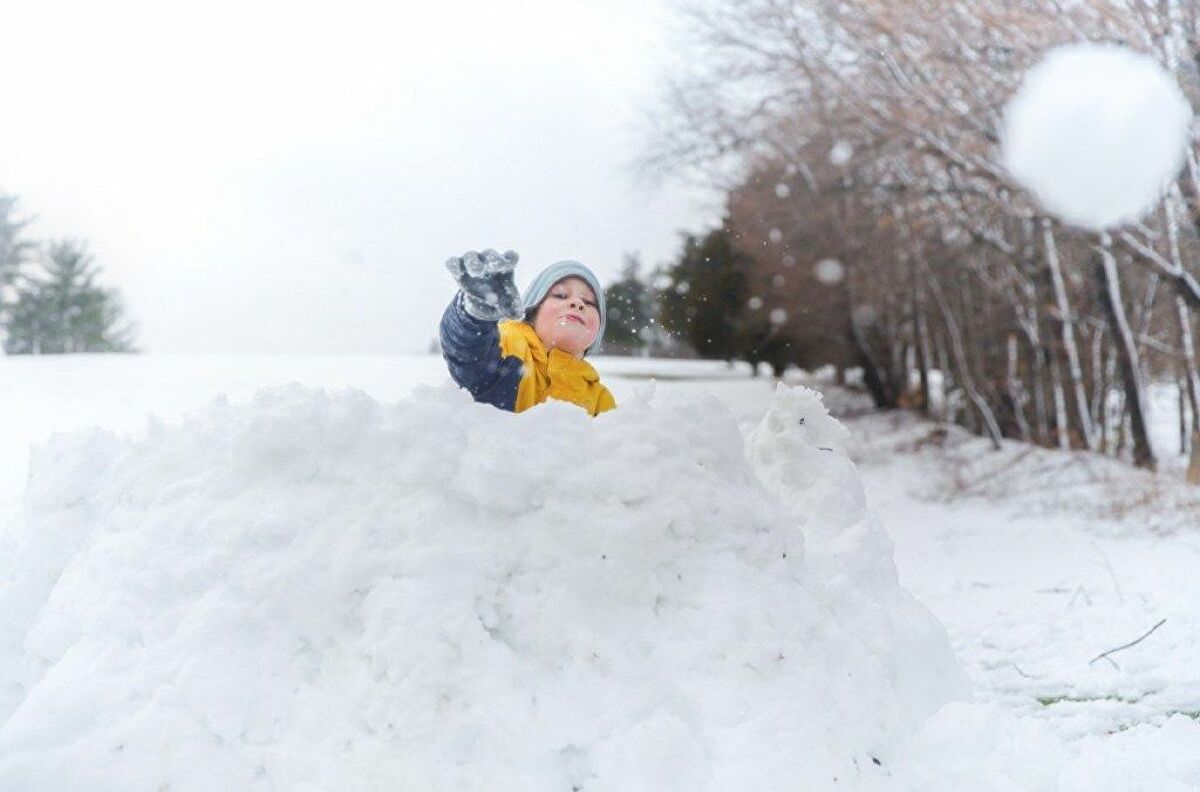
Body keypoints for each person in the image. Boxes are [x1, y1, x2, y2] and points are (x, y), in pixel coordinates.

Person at [440, 249, 616, 416]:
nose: (578, 303)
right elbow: (469, 357)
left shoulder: (600, 400)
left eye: (589, 302)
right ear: (532, 313)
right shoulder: (509, 345)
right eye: (561, 295)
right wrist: (474, 318)